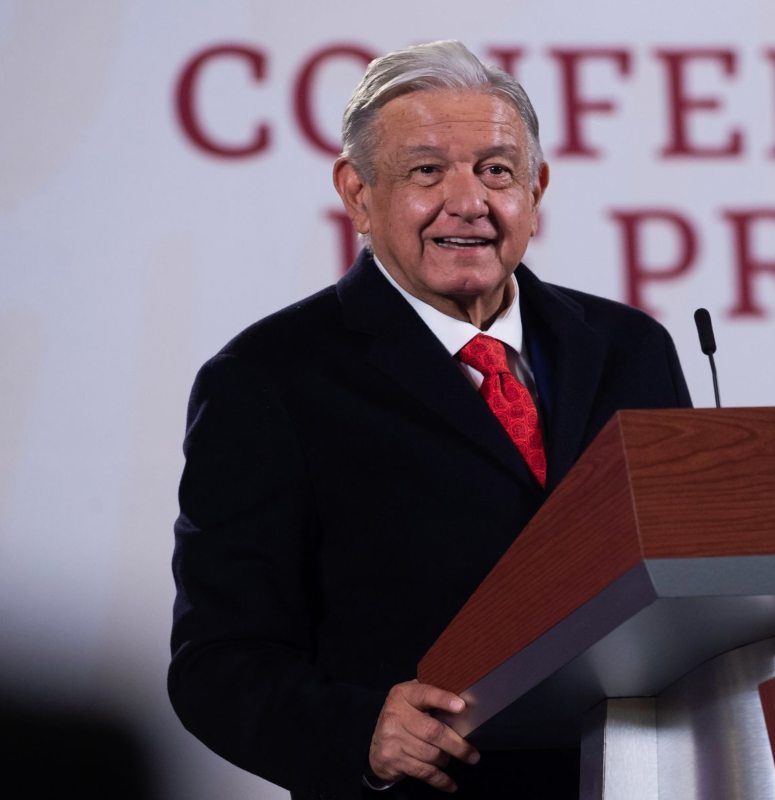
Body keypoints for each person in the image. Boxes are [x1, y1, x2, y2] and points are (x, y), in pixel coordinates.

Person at [168, 40, 691, 799]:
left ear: (536, 190)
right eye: (426, 171)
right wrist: (360, 730)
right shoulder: (269, 380)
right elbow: (217, 663)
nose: (468, 202)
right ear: (357, 194)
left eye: (496, 170)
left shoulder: (630, 348)